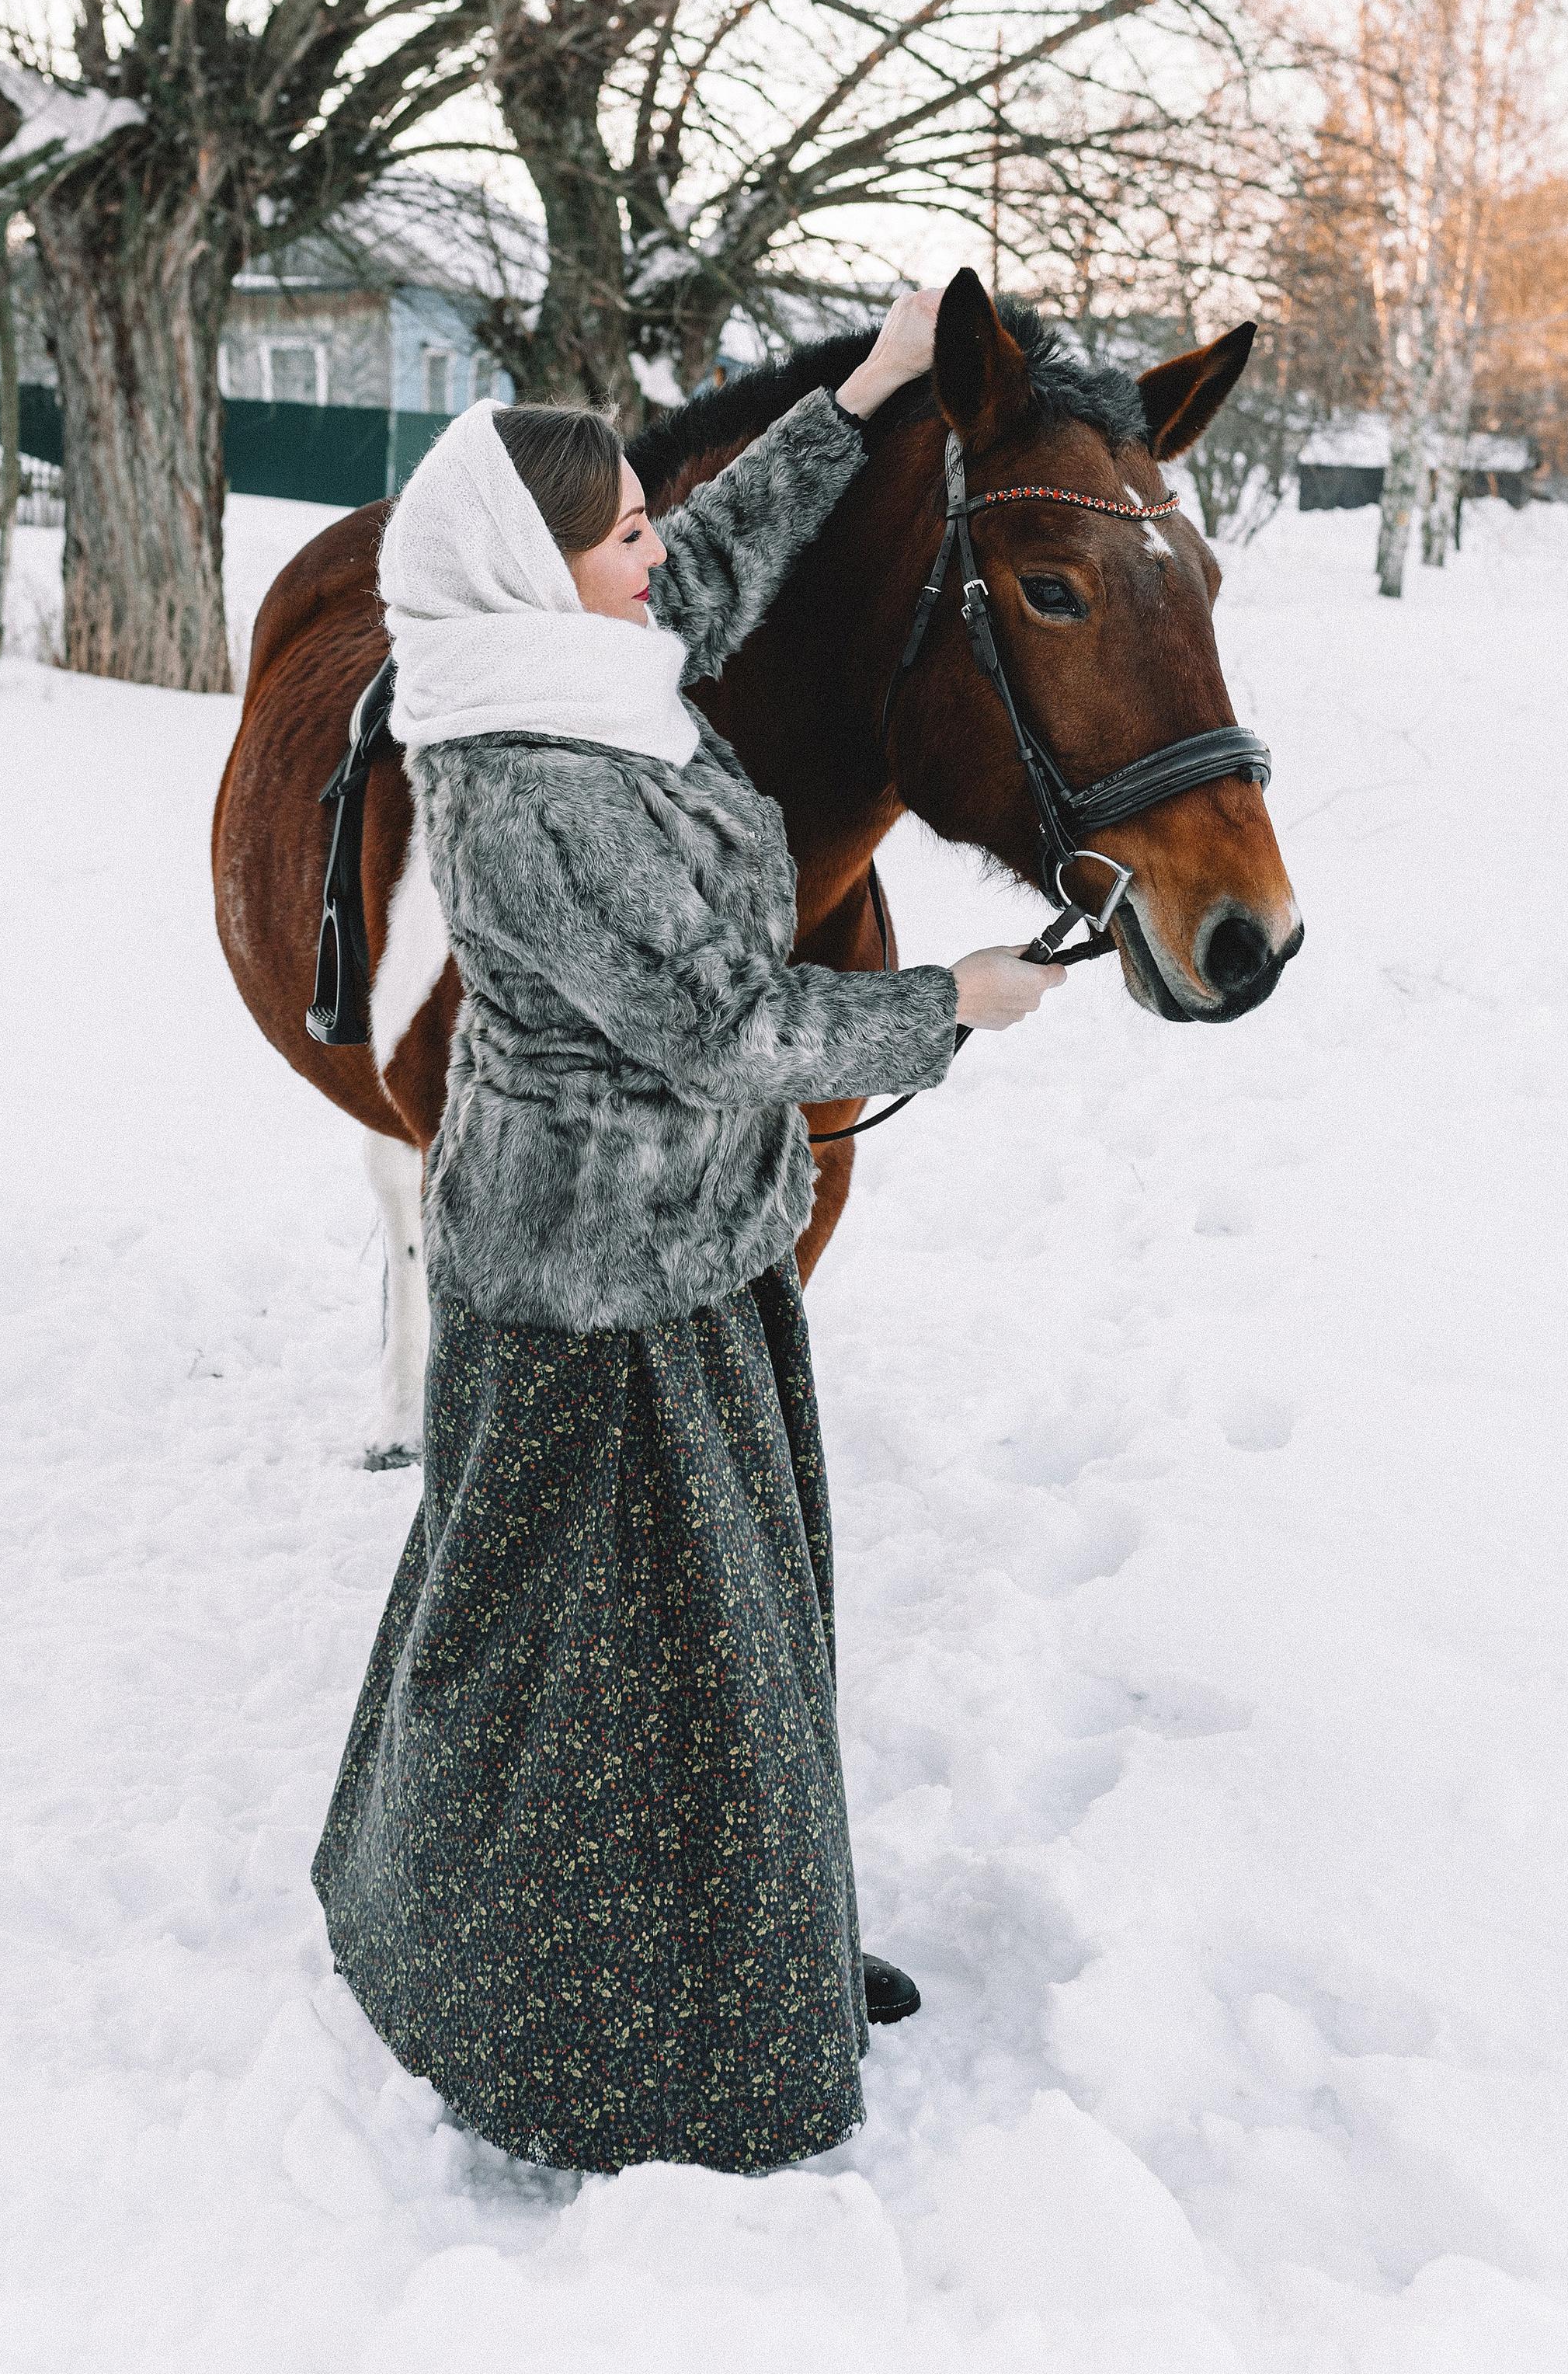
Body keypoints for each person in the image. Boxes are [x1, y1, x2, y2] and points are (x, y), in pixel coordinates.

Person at [312, 288, 1066, 2174]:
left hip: (688, 1252)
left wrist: (871, 391)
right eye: (622, 537)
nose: (663, 554)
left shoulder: (577, 660)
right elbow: (720, 1023)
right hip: (589, 1291)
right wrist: (944, 1006)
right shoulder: (527, 775)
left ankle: (752, 1953)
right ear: (532, 570)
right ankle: (592, 2040)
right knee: (604, 1670)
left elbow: (718, 563)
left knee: (717, 1646)